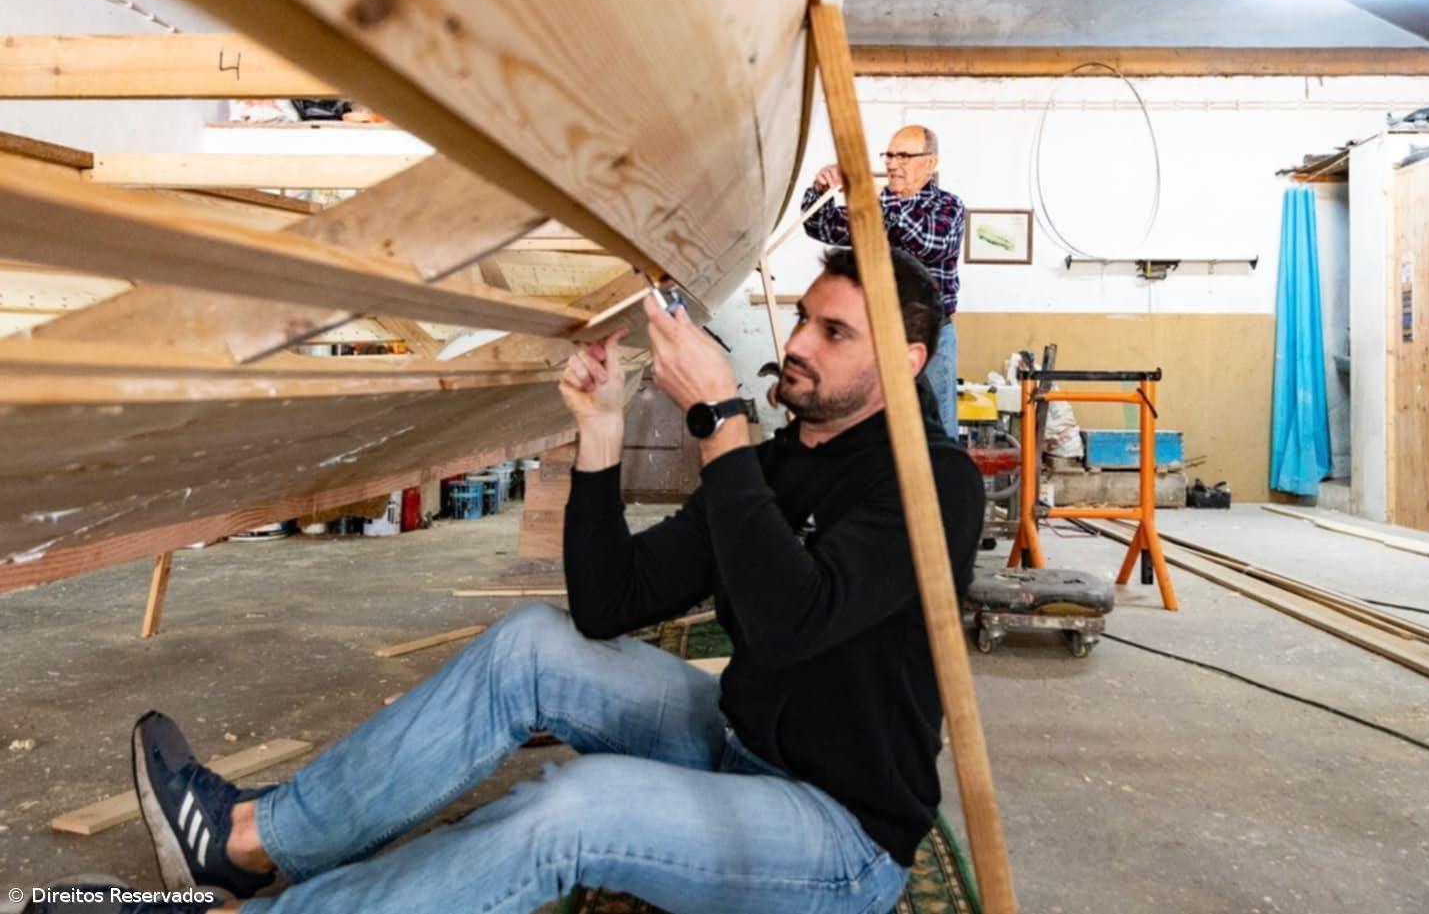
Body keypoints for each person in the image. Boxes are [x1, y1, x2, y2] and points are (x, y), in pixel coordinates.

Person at [25, 248, 984, 914]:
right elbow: (610, 606)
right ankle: (242, 842)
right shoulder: (780, 462)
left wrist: (722, 421)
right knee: (530, 645)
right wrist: (601, 437)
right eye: (806, 321)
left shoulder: (934, 482)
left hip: (836, 832)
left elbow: (790, 622)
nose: (803, 344)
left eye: (836, 332)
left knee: (570, 808)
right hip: (741, 743)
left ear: (906, 362)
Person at [802, 125, 966, 439]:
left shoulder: (948, 207)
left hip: (930, 334)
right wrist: (820, 190)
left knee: (939, 426)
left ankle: (944, 486)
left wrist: (882, 203)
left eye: (904, 155)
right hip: (876, 333)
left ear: (930, 163)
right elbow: (820, 226)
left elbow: (927, 242)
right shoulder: (875, 209)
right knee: (874, 423)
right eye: (889, 155)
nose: (892, 164)